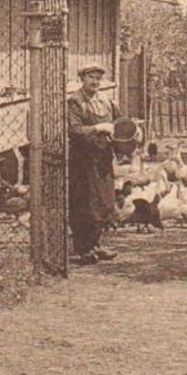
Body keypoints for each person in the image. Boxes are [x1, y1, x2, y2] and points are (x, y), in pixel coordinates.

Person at [66, 63, 127, 264]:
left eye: (98, 78)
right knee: (83, 203)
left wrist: (130, 133)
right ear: (82, 79)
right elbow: (74, 130)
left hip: (102, 160)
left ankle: (96, 244)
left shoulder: (107, 102)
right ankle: (82, 249)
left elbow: (120, 124)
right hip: (82, 161)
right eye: (91, 77)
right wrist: (97, 128)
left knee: (103, 203)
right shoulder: (75, 102)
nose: (95, 82)